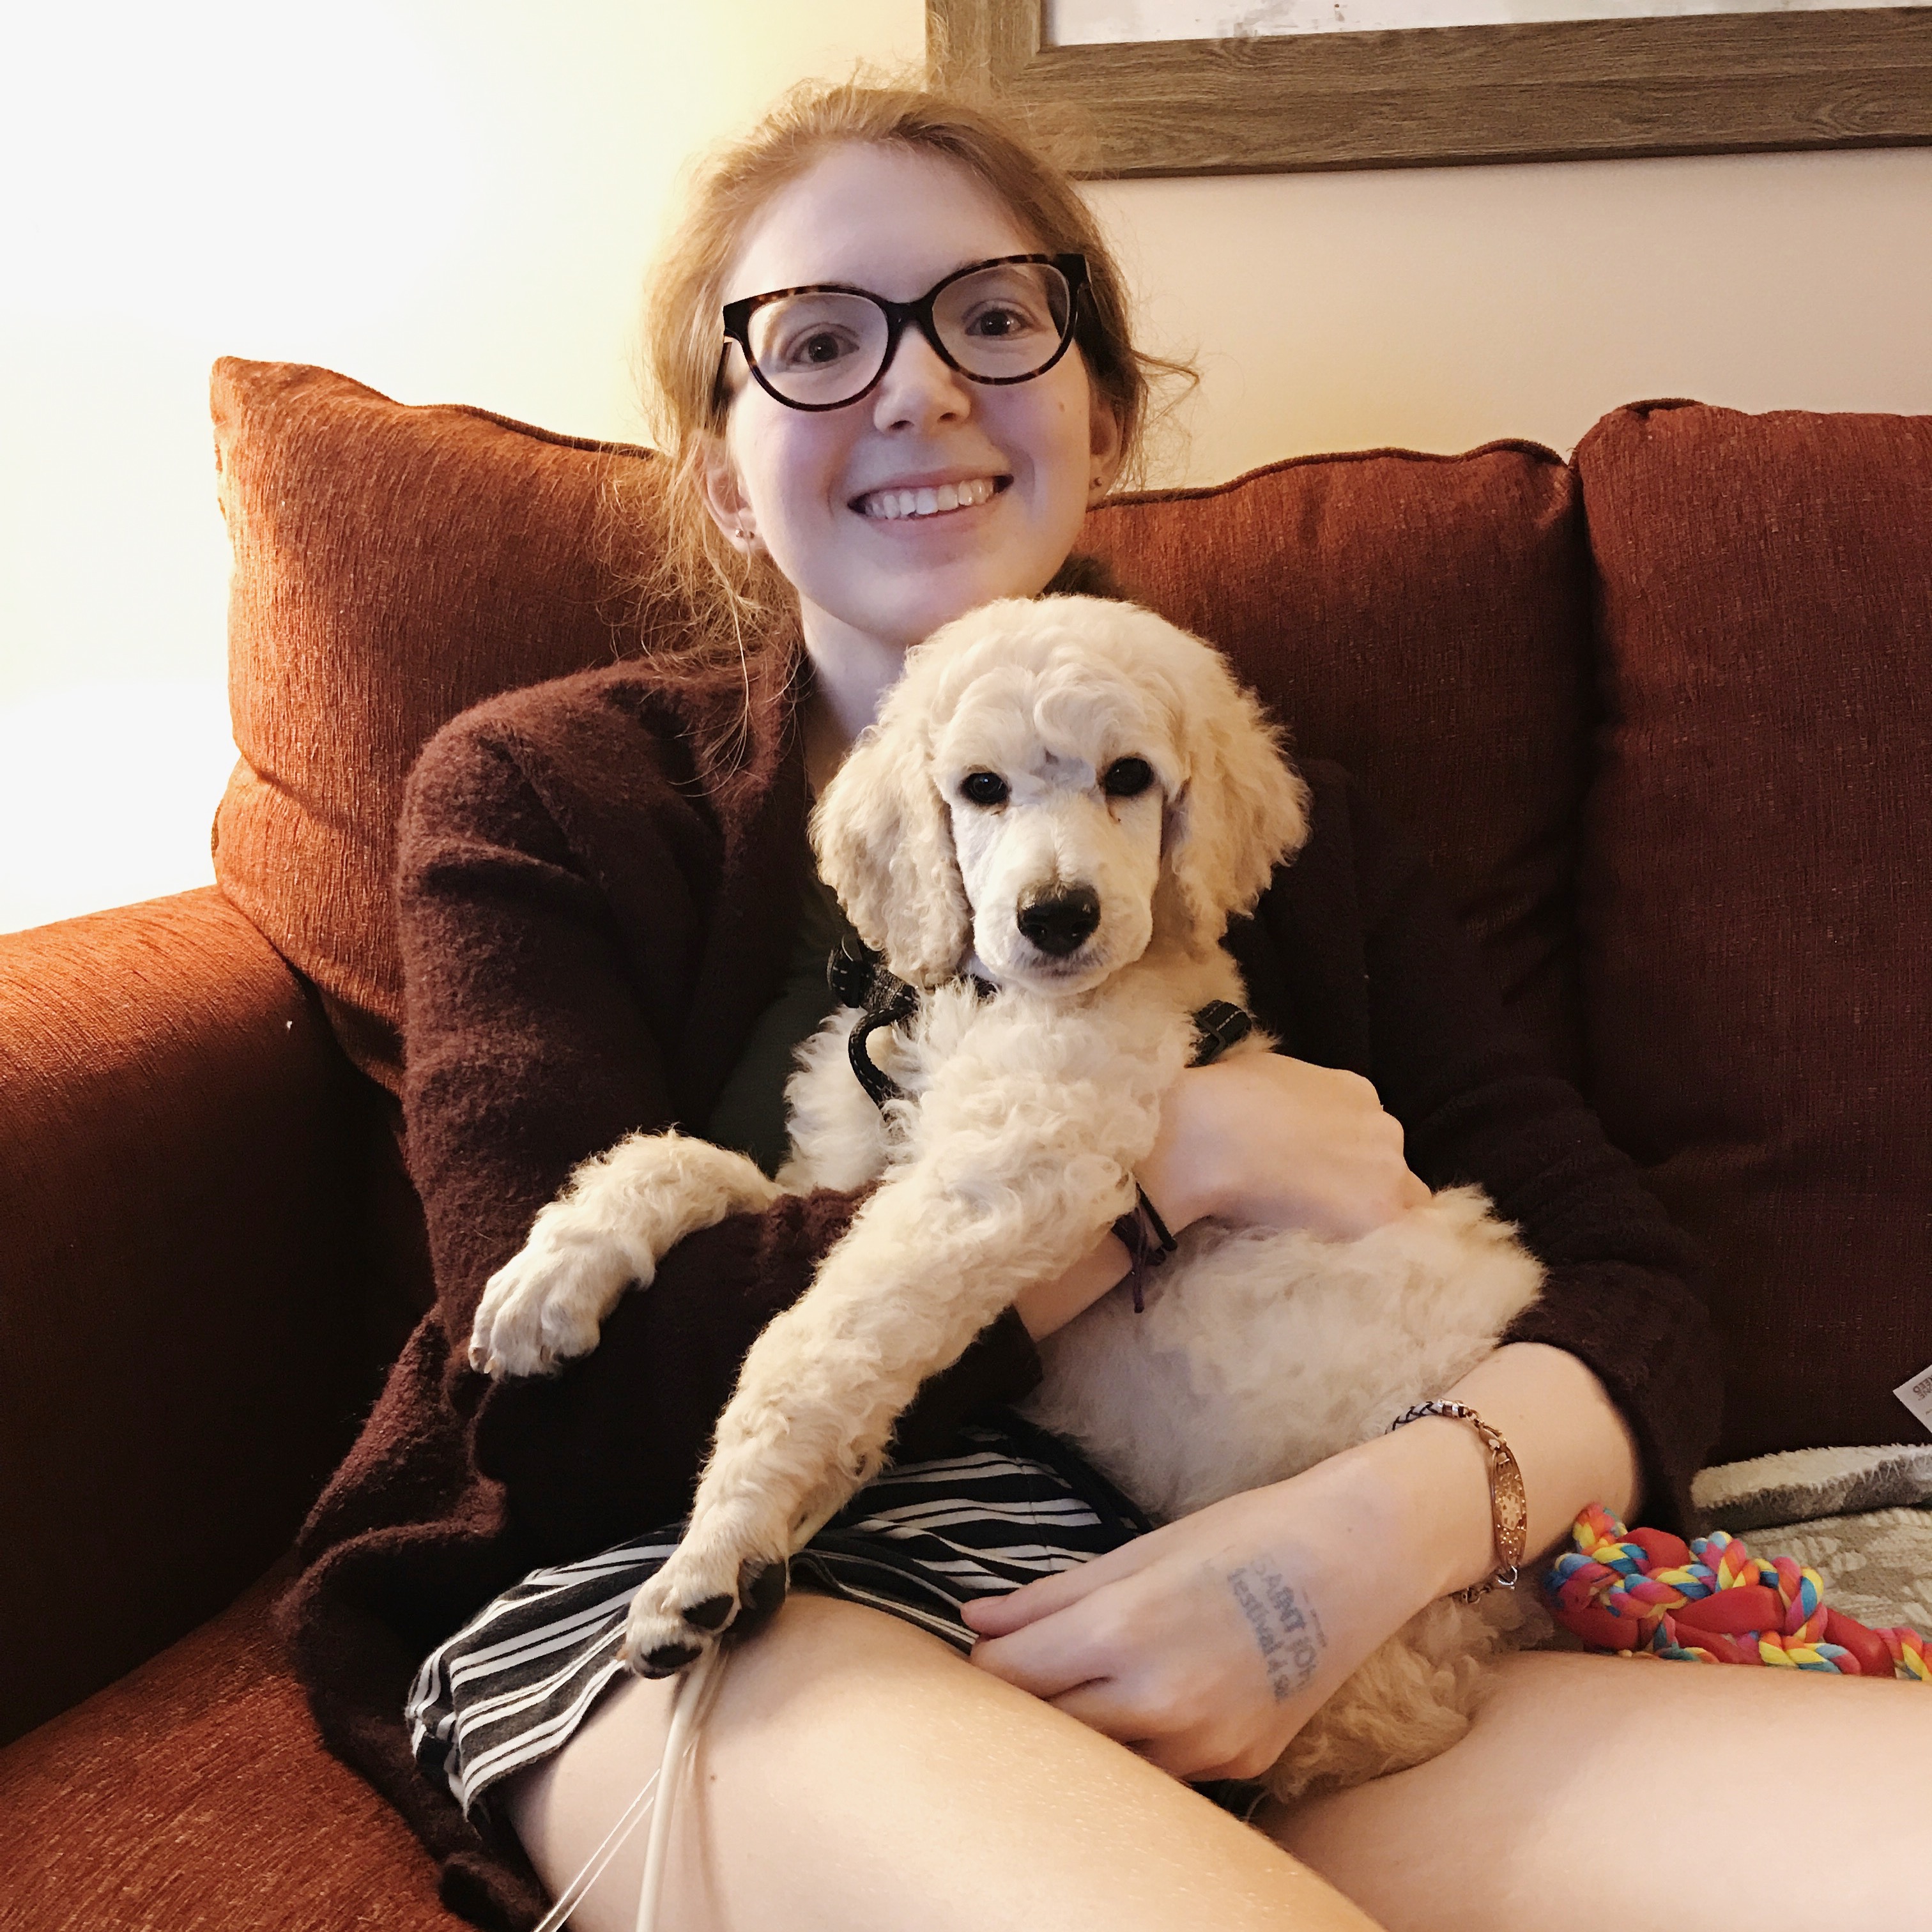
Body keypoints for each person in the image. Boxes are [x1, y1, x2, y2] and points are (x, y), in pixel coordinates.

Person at [284, 80, 1928, 1932]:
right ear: (722, 475)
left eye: (994, 320)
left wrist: (1325, 1557)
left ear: (1103, 411)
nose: (917, 389)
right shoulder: (548, 794)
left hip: (1264, 1606)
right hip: (718, 1597)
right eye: (818, 343)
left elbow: (1636, 1294)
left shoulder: (1256, 805)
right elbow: (564, 1386)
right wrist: (1165, 1167)